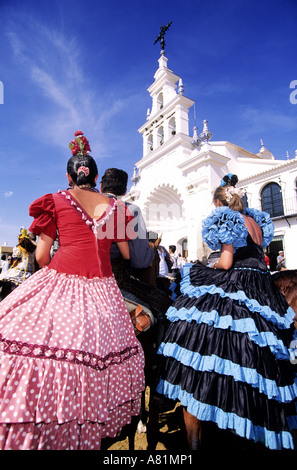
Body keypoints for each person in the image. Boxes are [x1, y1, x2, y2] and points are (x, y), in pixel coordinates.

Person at [0, 131, 145, 450]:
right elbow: (126, 255)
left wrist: (55, 277)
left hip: (61, 278)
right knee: (99, 356)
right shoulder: (116, 208)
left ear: (68, 176)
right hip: (104, 289)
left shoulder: (55, 201)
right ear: (96, 177)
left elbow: (40, 256)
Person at [156, 173, 297, 451]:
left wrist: (211, 268)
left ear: (219, 202)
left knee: (199, 324)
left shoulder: (229, 219)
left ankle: (207, 394)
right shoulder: (256, 220)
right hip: (263, 285)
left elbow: (227, 260)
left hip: (240, 280)